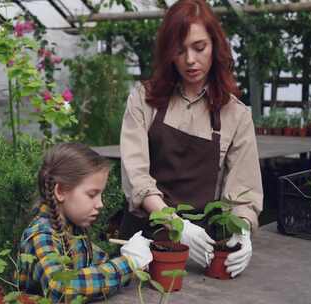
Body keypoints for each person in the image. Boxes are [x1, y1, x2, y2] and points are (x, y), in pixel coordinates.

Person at [119, 0, 263, 278]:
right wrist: (176, 224)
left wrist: (242, 232)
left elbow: (244, 191)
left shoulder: (235, 114)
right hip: (142, 243)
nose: (190, 60)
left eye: (199, 48)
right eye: (179, 50)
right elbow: (135, 176)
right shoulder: (144, 100)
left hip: (201, 253)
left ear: (215, 47)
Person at [17, 143, 153, 303]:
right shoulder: (40, 236)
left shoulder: (73, 228)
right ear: (60, 191)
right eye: (92, 194)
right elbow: (60, 288)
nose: (100, 204)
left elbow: (100, 263)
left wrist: (134, 258)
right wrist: (128, 263)